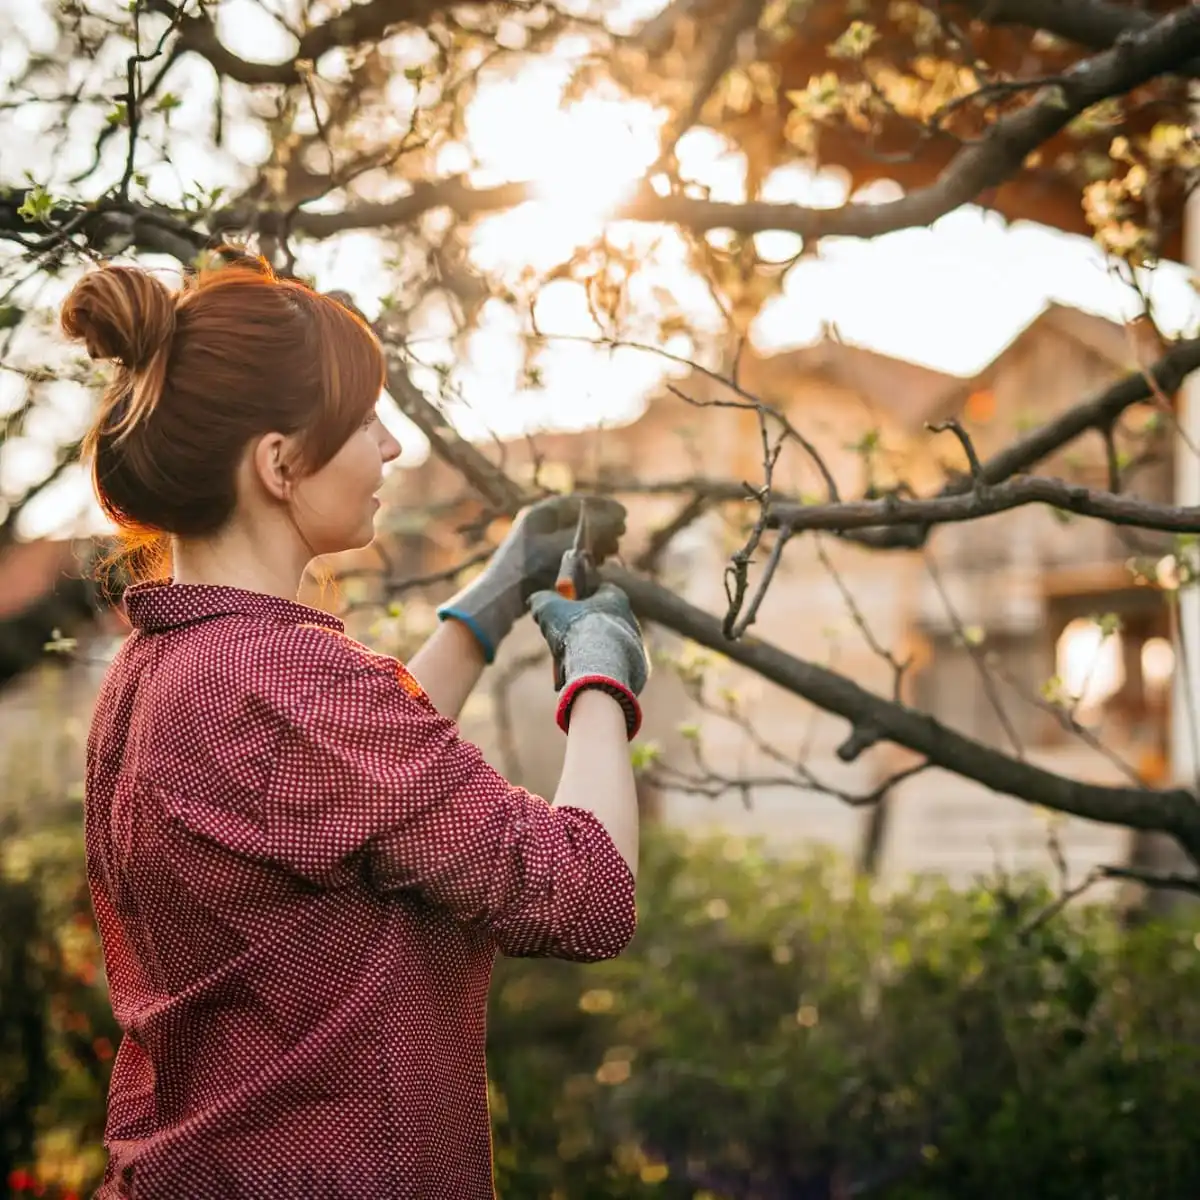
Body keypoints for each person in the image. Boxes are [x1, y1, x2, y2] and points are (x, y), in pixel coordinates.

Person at [60, 255, 650, 1200]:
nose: (391, 447)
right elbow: (584, 894)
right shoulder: (285, 679)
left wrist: (490, 603)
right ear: (279, 463)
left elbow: (349, 792)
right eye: (365, 422)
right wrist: (601, 675)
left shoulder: (162, 667)